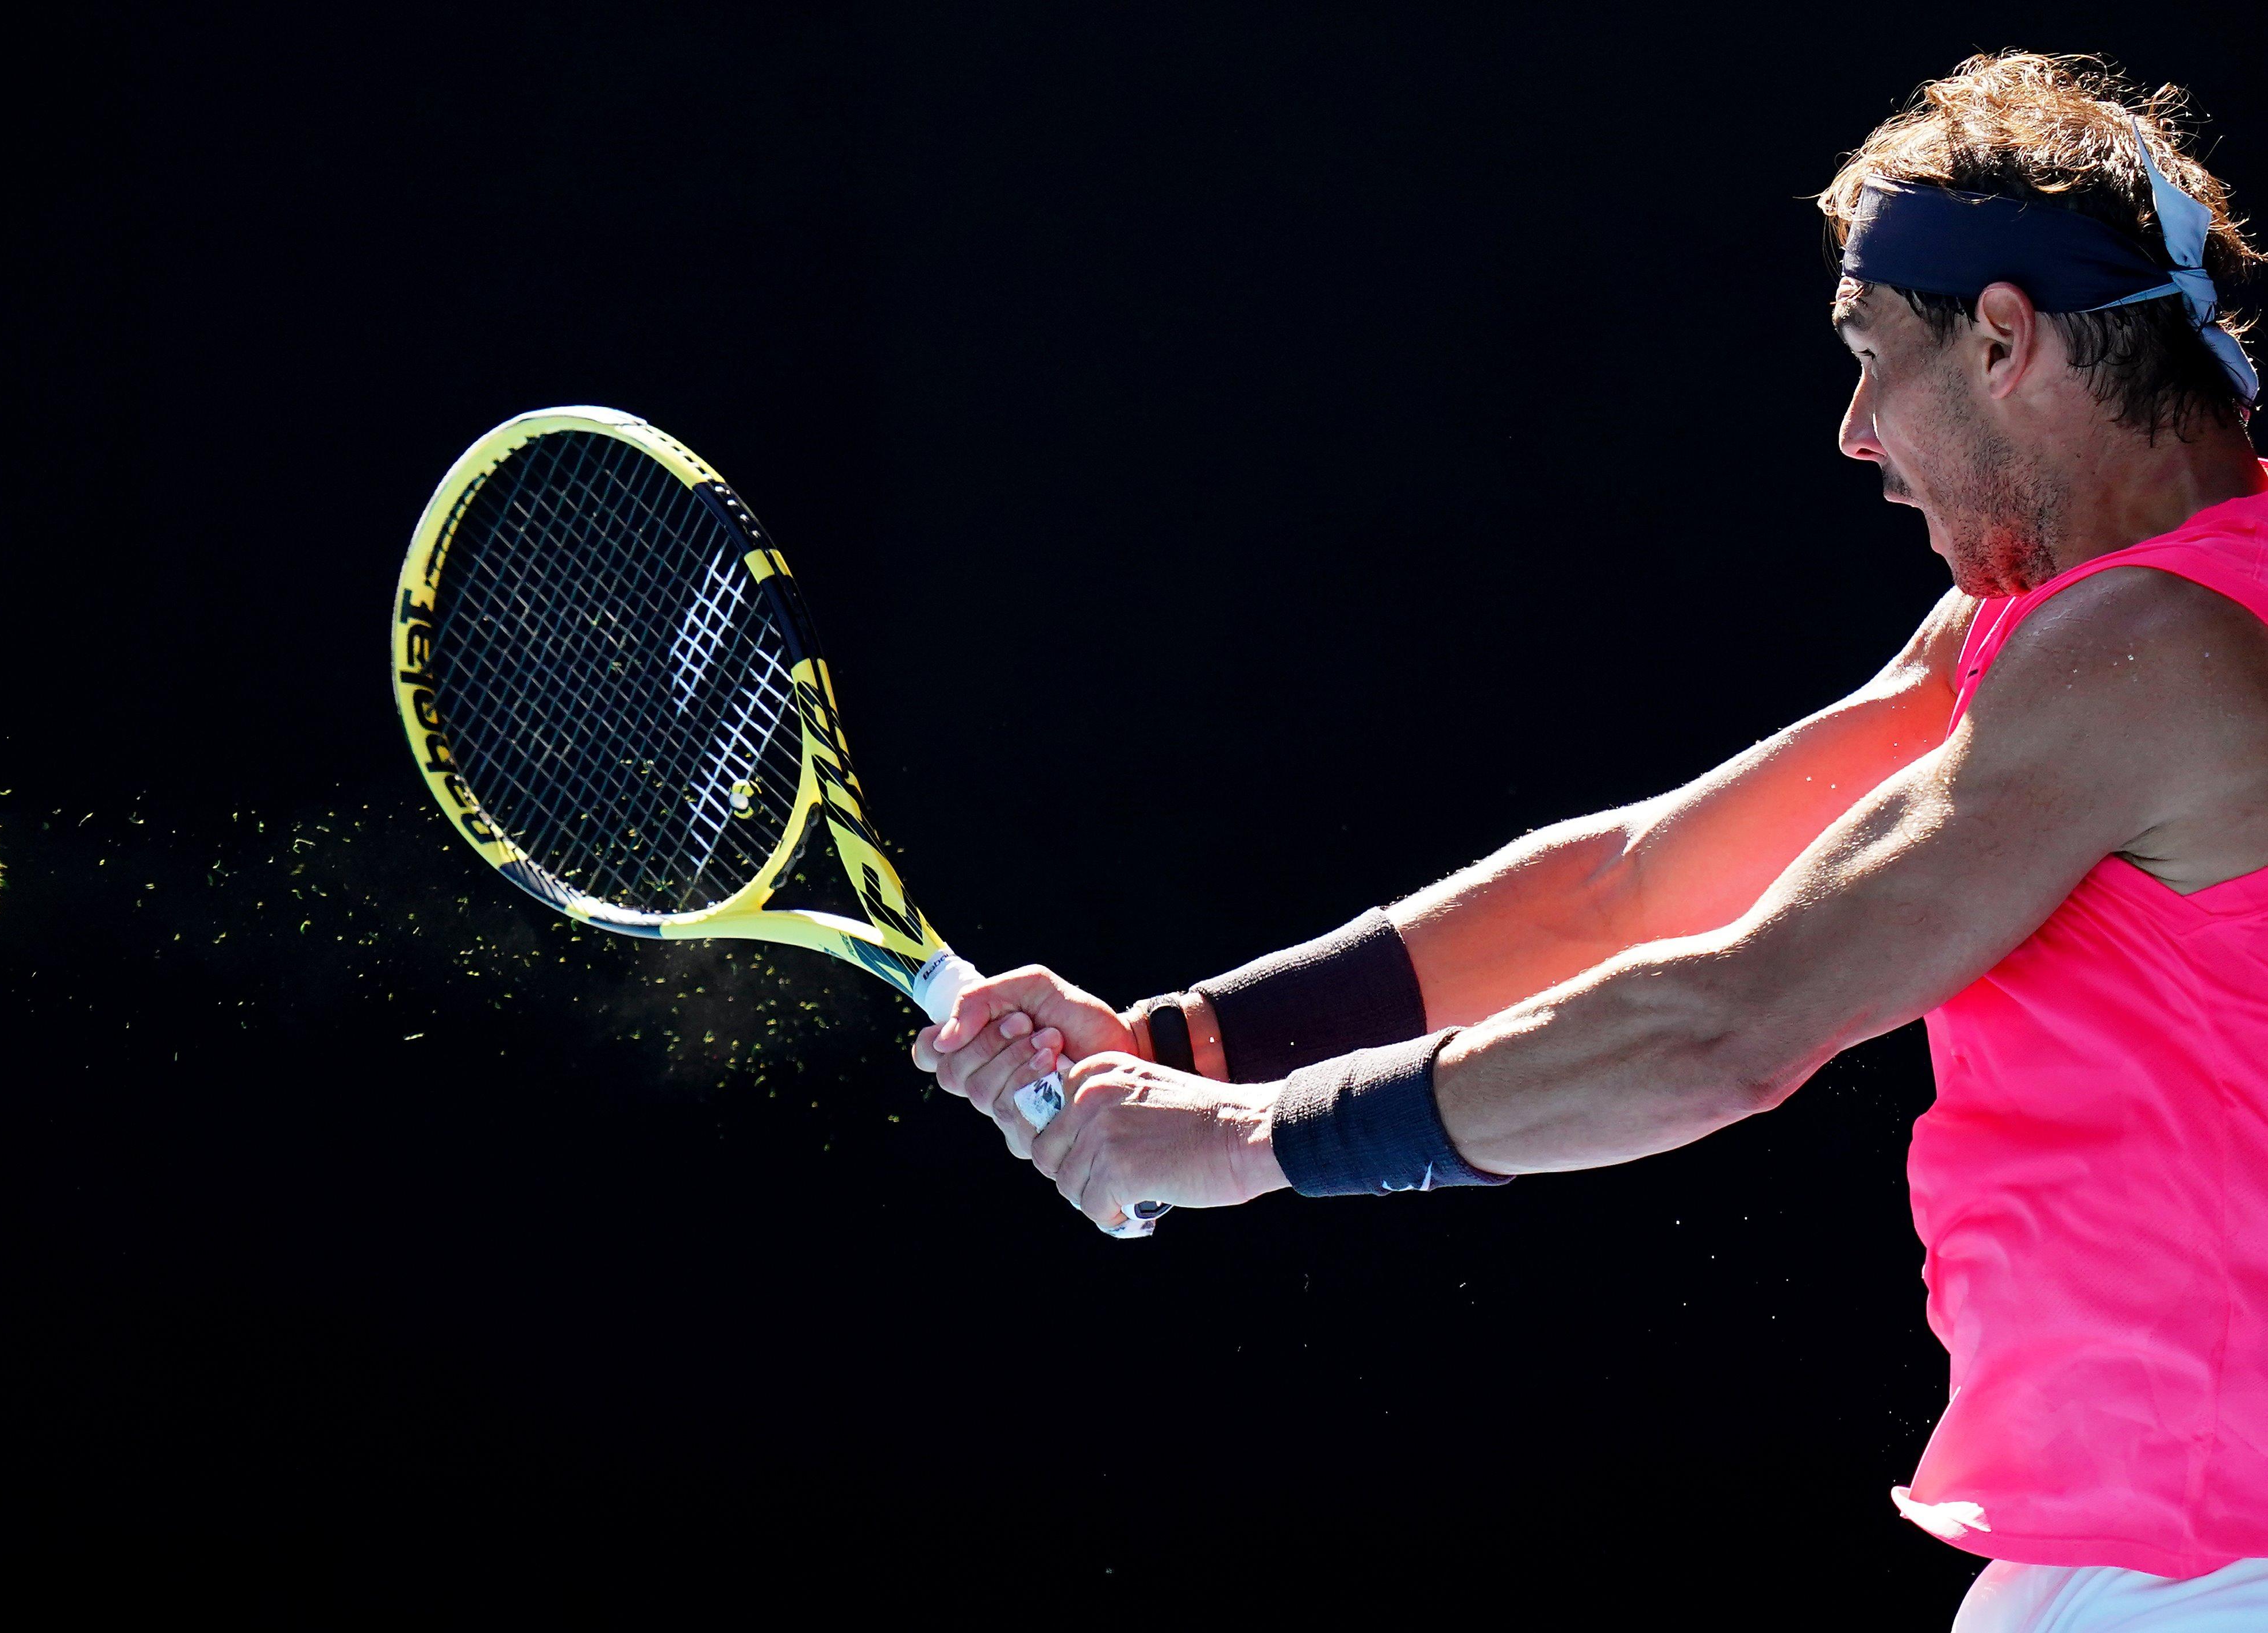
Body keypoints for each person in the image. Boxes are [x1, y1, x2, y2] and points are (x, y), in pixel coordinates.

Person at [912, 53, 2267, 1631]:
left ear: (2004, 338)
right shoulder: (2054, 624)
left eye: (1870, 360)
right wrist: (1182, 1042)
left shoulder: (2152, 653)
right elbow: (1629, 886)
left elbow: (1727, 1023)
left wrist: (1239, 1141)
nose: (1851, 433)